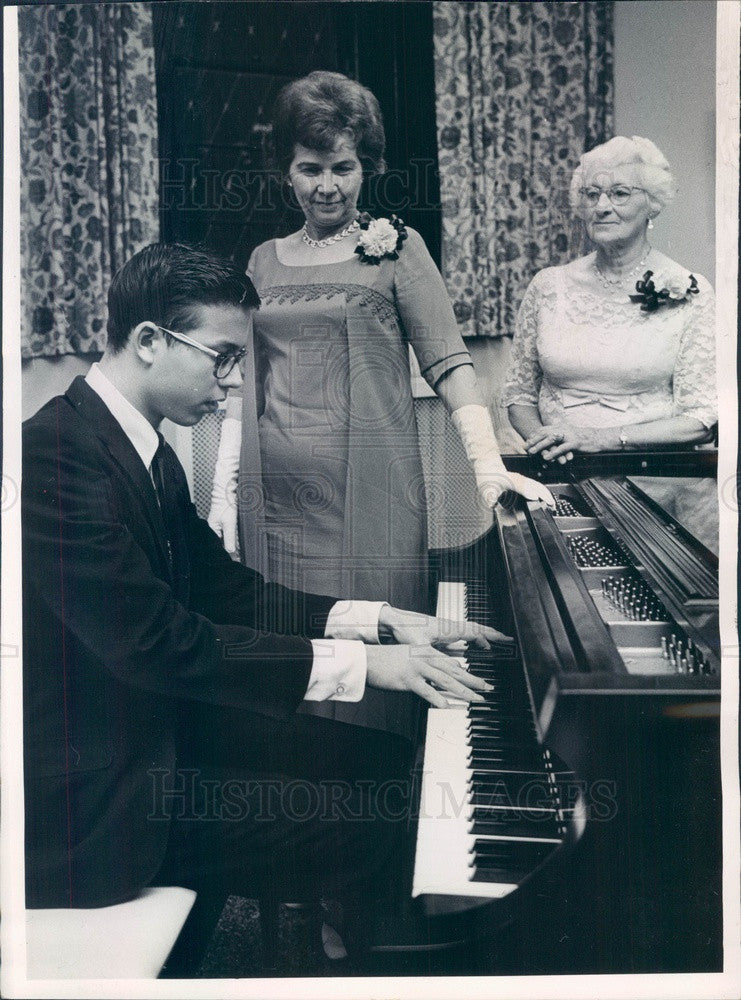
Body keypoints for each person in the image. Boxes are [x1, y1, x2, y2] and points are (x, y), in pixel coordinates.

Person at [21, 243, 505, 964]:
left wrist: (376, 619)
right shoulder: (52, 453)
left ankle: (342, 954)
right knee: (375, 827)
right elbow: (159, 643)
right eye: (221, 357)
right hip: (98, 803)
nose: (233, 381)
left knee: (383, 759)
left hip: (159, 736)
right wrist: (365, 668)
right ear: (150, 341)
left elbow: (224, 587)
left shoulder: (139, 445)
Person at [207, 70, 552, 733]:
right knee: (294, 652)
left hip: (371, 500)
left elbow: (450, 366)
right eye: (310, 168)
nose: (326, 184)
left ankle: (382, 799)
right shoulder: (261, 259)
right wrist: (224, 495)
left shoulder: (397, 249)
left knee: (374, 665)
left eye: (343, 166)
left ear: (368, 166)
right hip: (272, 502)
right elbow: (242, 378)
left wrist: (486, 467)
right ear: (286, 171)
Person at [504, 135, 716, 463]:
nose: (602, 207)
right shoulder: (548, 286)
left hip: (653, 475)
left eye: (619, 193)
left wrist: (600, 439)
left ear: (653, 204)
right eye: (592, 194)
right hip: (561, 472)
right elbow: (519, 395)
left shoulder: (689, 290)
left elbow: (701, 419)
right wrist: (546, 443)